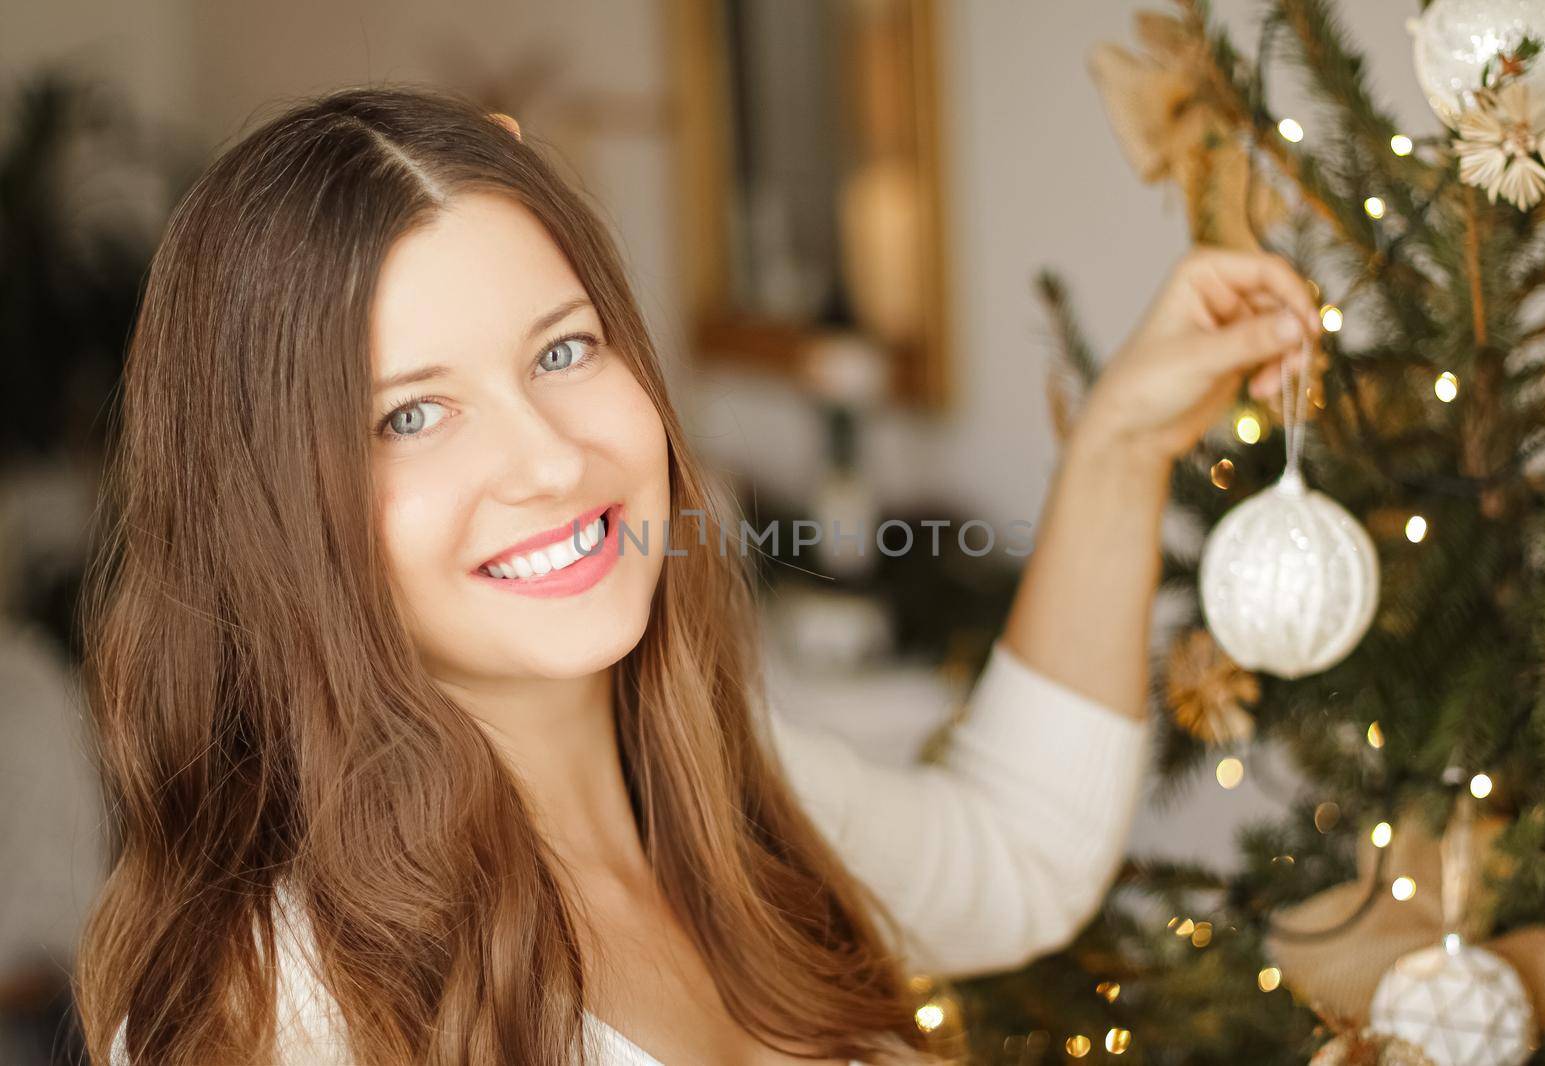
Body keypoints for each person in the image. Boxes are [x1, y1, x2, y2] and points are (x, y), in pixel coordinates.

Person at [79, 85, 1319, 1066]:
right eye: (411, 416)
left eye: (563, 349)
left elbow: (1015, 858)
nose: (551, 457)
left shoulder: (734, 798)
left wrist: (1120, 443)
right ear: (272, 507)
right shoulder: (271, 1006)